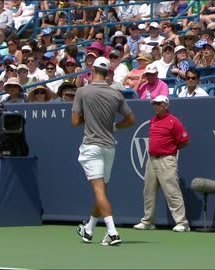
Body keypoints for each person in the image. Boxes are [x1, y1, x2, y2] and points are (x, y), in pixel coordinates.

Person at [72, 57, 136, 246]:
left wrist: (88, 118)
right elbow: (131, 119)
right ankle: (89, 228)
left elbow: (75, 122)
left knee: (100, 192)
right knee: (102, 192)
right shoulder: (116, 94)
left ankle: (112, 232)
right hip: (109, 148)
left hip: (92, 147)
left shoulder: (82, 92)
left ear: (92, 70)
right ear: (108, 73)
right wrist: (114, 126)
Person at [133, 95, 191, 232]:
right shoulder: (153, 120)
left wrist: (170, 149)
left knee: (172, 191)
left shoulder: (173, 121)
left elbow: (185, 141)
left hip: (167, 160)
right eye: (154, 104)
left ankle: (182, 223)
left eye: (158, 104)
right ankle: (148, 221)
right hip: (151, 160)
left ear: (166, 105)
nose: (155, 106)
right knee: (149, 191)